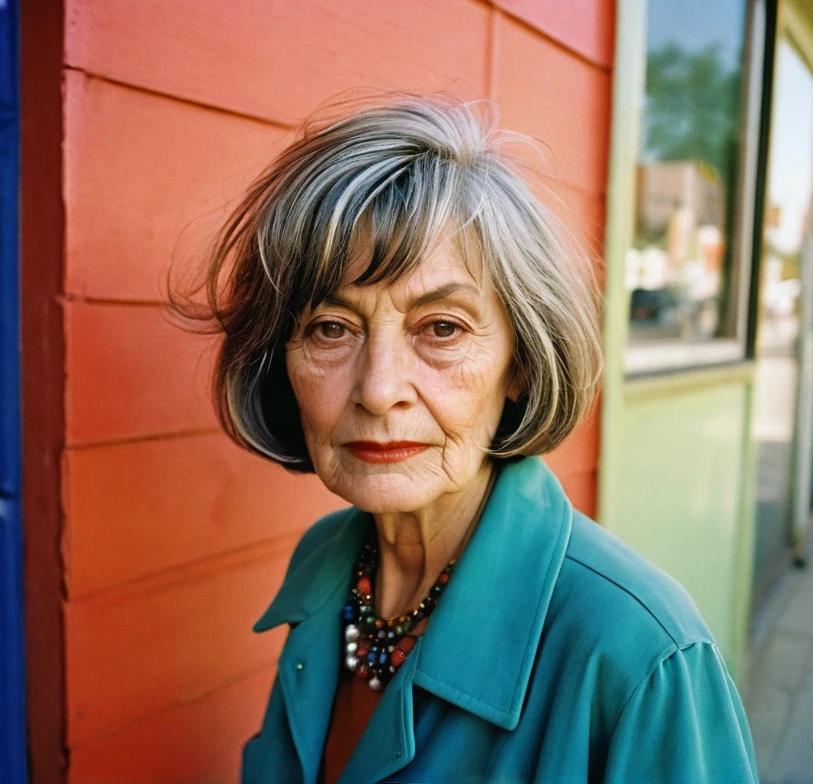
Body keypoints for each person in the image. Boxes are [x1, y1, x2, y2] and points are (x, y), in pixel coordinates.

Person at [170, 93, 759, 783]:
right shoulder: (328, 567)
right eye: (331, 327)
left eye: (441, 328)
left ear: (520, 364)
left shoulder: (637, 655)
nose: (378, 388)